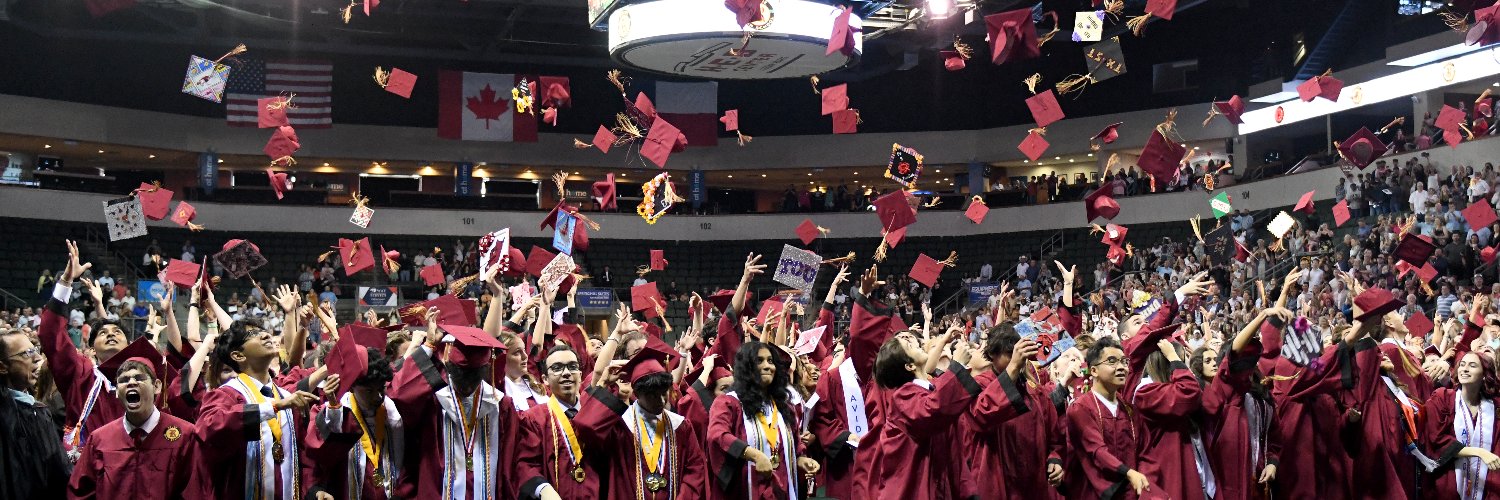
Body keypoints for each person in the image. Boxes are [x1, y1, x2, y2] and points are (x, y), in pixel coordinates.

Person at [574, 309, 707, 500]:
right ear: (637, 392)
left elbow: (695, 470)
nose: (661, 401)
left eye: (664, 394)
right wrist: (603, 383)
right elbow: (586, 427)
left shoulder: (681, 426)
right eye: (653, 396)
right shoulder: (620, 425)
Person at [390, 322, 520, 500]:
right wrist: (428, 346)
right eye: (461, 374)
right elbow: (399, 394)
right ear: (449, 368)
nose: (466, 384)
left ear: (485, 371)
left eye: (473, 376)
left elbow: (509, 464)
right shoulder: (433, 401)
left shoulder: (500, 405)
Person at [196, 318, 320, 499]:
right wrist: (273, 407)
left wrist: (314, 489)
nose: (265, 334)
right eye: (252, 335)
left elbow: (304, 454)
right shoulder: (228, 395)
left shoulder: (287, 397)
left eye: (263, 330)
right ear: (238, 356)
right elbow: (209, 427)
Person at [67, 339, 198, 500]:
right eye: (123, 380)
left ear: (157, 386)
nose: (131, 383)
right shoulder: (100, 439)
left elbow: (196, 491)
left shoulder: (184, 435)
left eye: (139, 378)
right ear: (116, 392)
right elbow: (80, 493)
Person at [707, 341, 819, 499]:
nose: (768, 366)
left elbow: (795, 441)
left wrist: (801, 459)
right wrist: (753, 454)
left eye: (771, 361)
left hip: (782, 487)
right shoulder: (729, 403)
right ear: (746, 367)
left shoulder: (784, 406)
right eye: (759, 361)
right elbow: (717, 435)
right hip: (745, 488)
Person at [961, 323, 1060, 500]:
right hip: (995, 483)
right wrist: (1013, 367)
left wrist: (1055, 459)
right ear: (992, 354)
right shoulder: (978, 385)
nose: (1019, 359)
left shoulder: (1034, 390)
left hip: (1033, 484)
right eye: (1010, 354)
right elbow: (981, 415)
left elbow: (1054, 435)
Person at [302, 340, 402, 500]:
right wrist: (335, 407)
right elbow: (318, 460)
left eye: (381, 388)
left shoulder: (393, 412)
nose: (377, 397)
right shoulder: (331, 412)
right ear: (351, 387)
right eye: (369, 391)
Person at [1067, 336, 1153, 499]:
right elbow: (1096, 450)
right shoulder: (1080, 408)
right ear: (1093, 370)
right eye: (1112, 361)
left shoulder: (1129, 410)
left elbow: (1144, 451)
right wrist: (1128, 473)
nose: (1121, 367)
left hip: (1131, 493)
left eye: (1123, 361)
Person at [516, 344, 599, 500]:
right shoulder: (534, 418)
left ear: (580, 375)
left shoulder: (596, 415)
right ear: (545, 379)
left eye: (572, 367)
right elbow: (525, 464)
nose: (566, 373)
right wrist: (543, 489)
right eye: (557, 368)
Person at [0, 327, 69, 499]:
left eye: (35, 350)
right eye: (26, 353)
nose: (37, 358)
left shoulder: (38, 411)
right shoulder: (4, 412)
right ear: (2, 367)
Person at [1423, 350, 1500, 499]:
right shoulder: (1442, 398)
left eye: (1472, 365)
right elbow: (1436, 440)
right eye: (1462, 364)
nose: (1464, 369)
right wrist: (1479, 452)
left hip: (1486, 485)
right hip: (1449, 480)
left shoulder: (1495, 407)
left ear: (1484, 374)